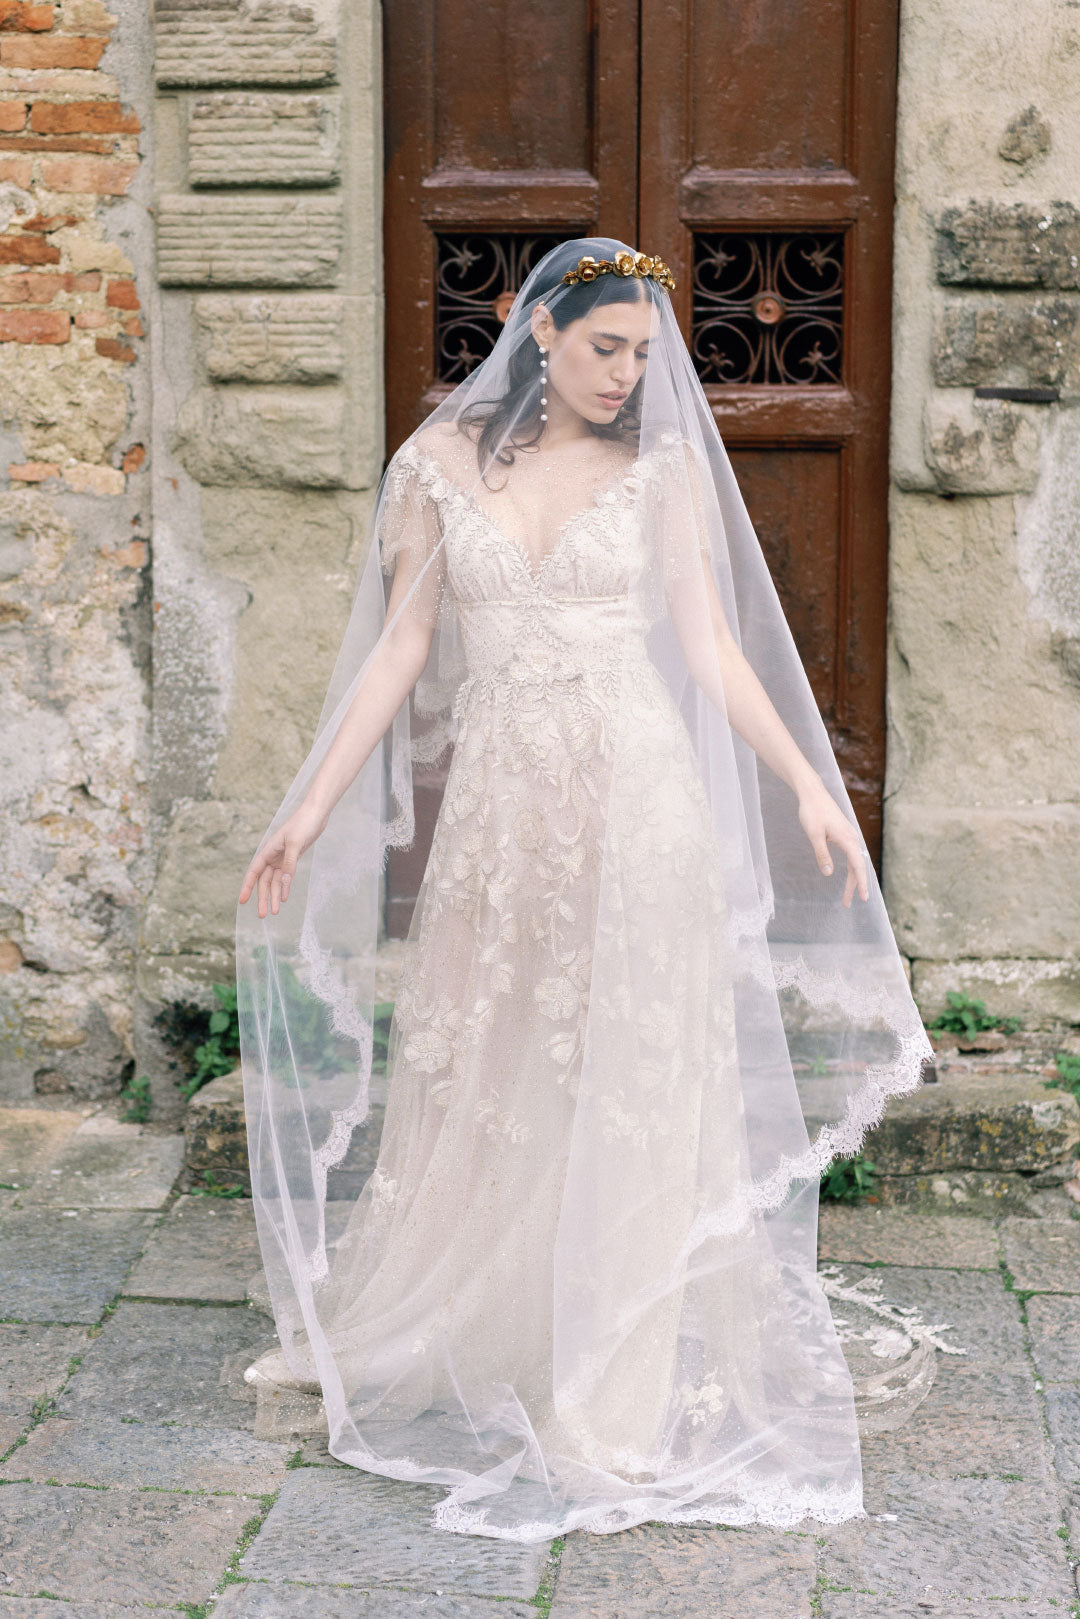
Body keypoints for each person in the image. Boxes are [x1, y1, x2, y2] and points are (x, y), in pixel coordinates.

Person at [236, 237, 932, 1542]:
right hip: (502, 820)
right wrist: (311, 807)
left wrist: (802, 782)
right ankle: (492, 1316)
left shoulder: (661, 475)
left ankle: (611, 1382)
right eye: (605, 347)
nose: (625, 376)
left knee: (637, 1076)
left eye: (643, 356)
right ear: (537, 331)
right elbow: (402, 651)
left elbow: (711, 648)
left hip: (640, 802)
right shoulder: (436, 472)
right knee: (495, 1069)